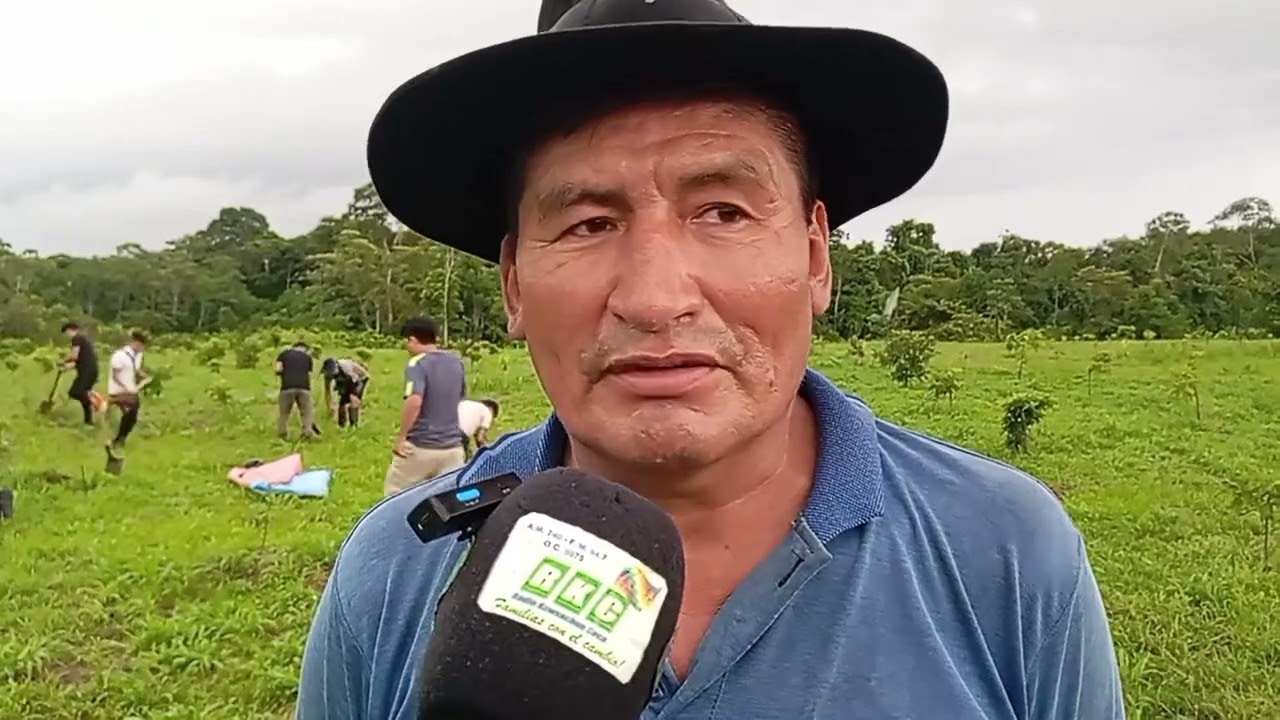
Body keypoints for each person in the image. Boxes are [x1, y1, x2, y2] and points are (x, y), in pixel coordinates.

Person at [298, 2, 1125, 719]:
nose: (655, 298)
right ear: (514, 283)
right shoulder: (399, 567)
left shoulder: (1008, 551)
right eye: (588, 223)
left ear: (815, 258)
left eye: (723, 211)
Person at [383, 316, 467, 496]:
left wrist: (401, 437)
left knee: (395, 495)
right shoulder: (456, 362)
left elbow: (415, 401)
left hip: (421, 446)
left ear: (412, 339)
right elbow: (459, 396)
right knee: (447, 501)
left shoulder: (417, 364)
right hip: (453, 448)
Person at [104, 330, 149, 453]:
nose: (141, 348)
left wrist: (145, 377)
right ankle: (118, 438)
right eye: (140, 345)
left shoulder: (139, 356)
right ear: (134, 343)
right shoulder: (120, 356)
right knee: (132, 406)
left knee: (132, 416)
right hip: (118, 389)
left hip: (131, 389)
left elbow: (136, 370)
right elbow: (115, 375)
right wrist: (126, 388)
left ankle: (120, 438)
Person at [60, 322, 99, 426]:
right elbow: (79, 361)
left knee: (75, 392)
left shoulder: (77, 338)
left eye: (67, 333)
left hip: (87, 372)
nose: (67, 336)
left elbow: (74, 356)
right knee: (82, 393)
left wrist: (63, 361)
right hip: (90, 371)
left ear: (70, 330)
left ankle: (97, 401)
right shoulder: (83, 339)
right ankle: (88, 421)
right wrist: (66, 367)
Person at [274, 340, 315, 440]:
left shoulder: (284, 354)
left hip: (287, 387)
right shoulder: (307, 357)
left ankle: (283, 434)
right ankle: (306, 433)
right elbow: (309, 373)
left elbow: (278, 369)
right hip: (304, 387)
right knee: (306, 413)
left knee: (284, 413)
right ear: (305, 349)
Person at [321, 357, 371, 428]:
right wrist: (329, 407)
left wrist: (354, 395)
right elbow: (327, 391)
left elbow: (353, 382)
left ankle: (354, 425)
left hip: (361, 378)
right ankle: (341, 425)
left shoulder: (345, 367)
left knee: (353, 399)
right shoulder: (328, 374)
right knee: (342, 403)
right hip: (346, 380)